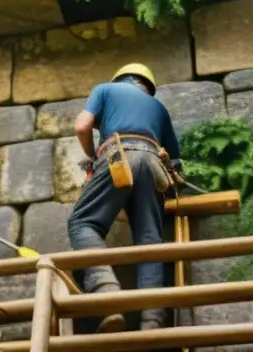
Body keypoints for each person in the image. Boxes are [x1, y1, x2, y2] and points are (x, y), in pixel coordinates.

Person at [66, 63, 183, 333]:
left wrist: (94, 156)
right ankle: (153, 321)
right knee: (150, 240)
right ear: (148, 87)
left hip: (117, 156)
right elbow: (176, 163)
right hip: (153, 162)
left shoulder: (105, 89)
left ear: (119, 78)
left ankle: (107, 296)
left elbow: (82, 126)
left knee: (82, 223)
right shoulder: (158, 108)